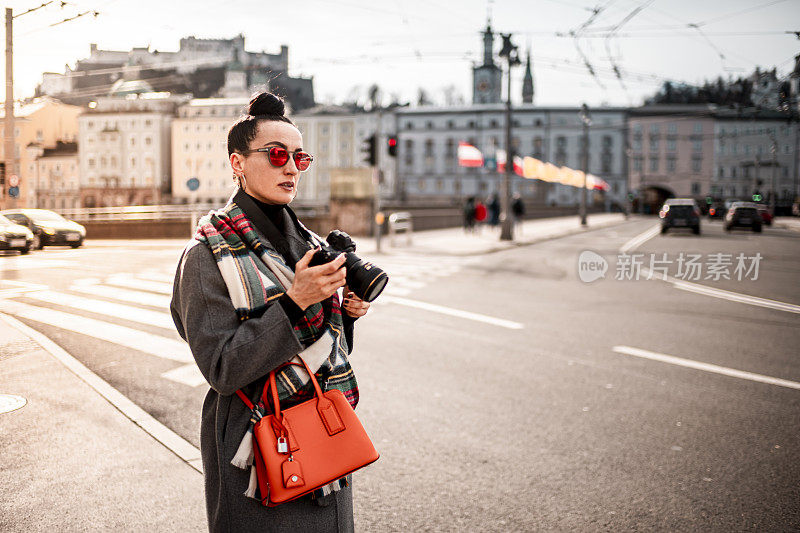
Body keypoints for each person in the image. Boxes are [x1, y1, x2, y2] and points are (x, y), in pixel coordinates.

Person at [171, 92, 370, 532]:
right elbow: (222, 367)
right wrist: (296, 302)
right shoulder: (206, 255)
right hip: (256, 448)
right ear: (237, 163)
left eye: (300, 156)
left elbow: (323, 350)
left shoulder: (312, 245)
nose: (290, 166)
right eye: (276, 153)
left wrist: (346, 316)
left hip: (325, 434)